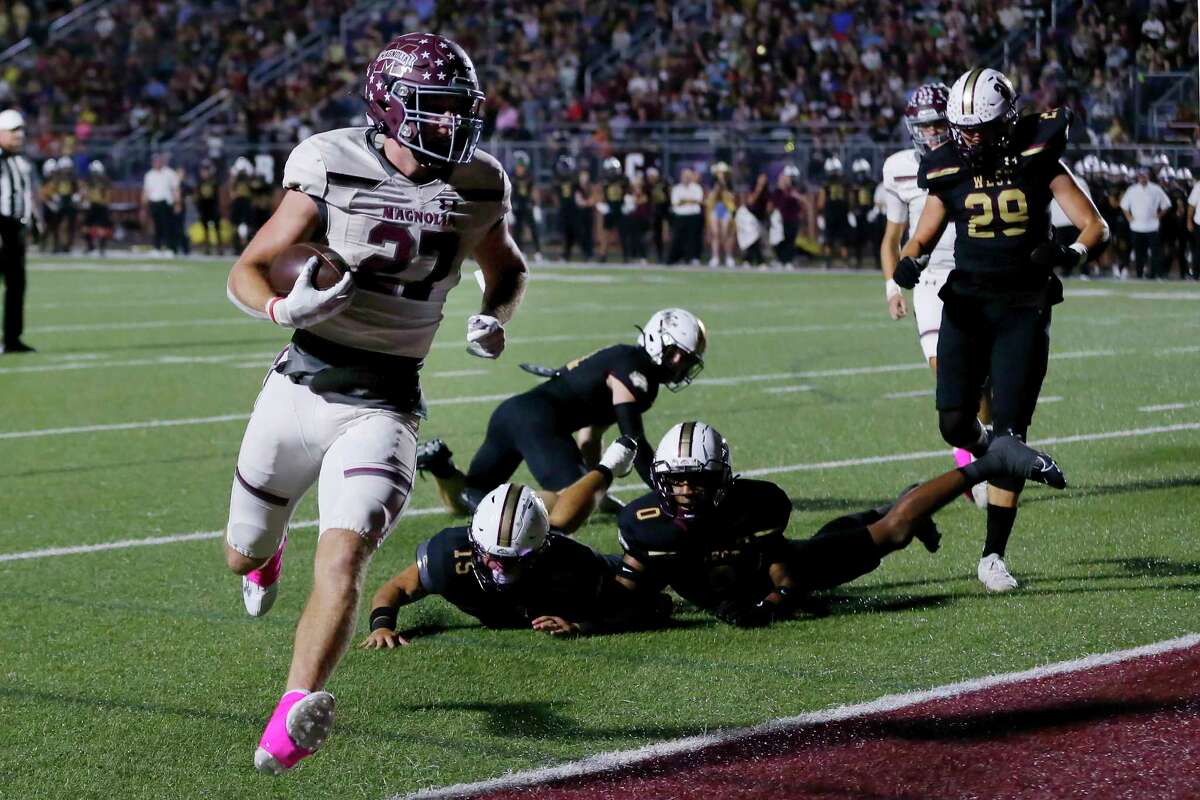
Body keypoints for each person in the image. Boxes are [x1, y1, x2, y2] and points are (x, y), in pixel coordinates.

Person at [221, 32, 528, 775]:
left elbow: (506, 267)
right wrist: (279, 312)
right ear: (388, 106)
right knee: (239, 555)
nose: (451, 126)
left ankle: (294, 710)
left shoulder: (481, 183)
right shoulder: (330, 162)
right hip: (300, 385)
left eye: (459, 110)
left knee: (349, 551)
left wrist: (496, 314)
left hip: (386, 404)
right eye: (434, 108)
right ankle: (266, 557)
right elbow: (251, 266)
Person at [894, 67, 1108, 593]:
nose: (969, 140)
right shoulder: (948, 167)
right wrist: (911, 259)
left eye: (980, 130)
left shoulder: (1039, 160)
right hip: (965, 302)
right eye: (962, 129)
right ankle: (991, 445)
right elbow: (925, 230)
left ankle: (993, 555)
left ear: (1006, 121)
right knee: (952, 424)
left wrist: (1070, 253)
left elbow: (1094, 225)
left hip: (1022, 305)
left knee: (1012, 432)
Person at [614, 421, 1066, 626]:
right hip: (761, 571)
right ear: (660, 482)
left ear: (723, 481)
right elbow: (629, 593)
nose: (687, 491)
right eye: (676, 483)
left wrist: (767, 607)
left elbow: (789, 583)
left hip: (790, 569)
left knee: (894, 531)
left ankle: (992, 461)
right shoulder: (645, 523)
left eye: (698, 481)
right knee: (841, 534)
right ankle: (901, 500)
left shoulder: (754, 505)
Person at [360, 438, 670, 645]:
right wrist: (382, 626)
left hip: (591, 565)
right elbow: (396, 588)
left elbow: (651, 606)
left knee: (565, 529)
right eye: (493, 555)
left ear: (538, 551)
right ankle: (607, 467)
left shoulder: (571, 564)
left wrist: (582, 625)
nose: (499, 567)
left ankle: (608, 467)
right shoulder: (450, 555)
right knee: (559, 522)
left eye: (513, 559)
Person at [415, 308, 707, 516]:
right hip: (538, 422)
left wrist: (599, 493)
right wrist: (666, 493)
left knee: (466, 498)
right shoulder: (636, 369)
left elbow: (590, 439)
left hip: (513, 412)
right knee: (570, 505)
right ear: (658, 338)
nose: (679, 363)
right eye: (674, 352)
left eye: (687, 358)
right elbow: (635, 441)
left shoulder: (623, 357)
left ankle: (443, 467)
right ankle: (502, 512)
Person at [880, 83, 990, 516]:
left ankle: (985, 454)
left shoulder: (972, 159)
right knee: (949, 378)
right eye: (924, 126)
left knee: (983, 381)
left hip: (973, 273)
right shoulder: (898, 169)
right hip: (927, 281)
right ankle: (970, 460)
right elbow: (891, 237)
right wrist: (892, 287)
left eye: (939, 124)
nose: (932, 134)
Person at [0, 109, 38, 354]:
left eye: (21, 130)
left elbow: (25, 195)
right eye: (14, 131)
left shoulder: (21, 161)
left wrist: (33, 221)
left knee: (16, 284)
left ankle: (12, 338)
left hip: (15, 227)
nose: (20, 135)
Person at [1119, 168, 1171, 280]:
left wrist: (1159, 216)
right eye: (1141, 176)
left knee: (1155, 253)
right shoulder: (1132, 189)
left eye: (1145, 175)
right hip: (1136, 227)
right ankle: (1139, 274)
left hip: (1152, 226)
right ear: (1138, 177)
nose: (1143, 177)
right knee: (1139, 253)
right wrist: (1129, 218)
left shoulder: (1156, 189)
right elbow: (1124, 206)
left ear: (1148, 176)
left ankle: (1155, 275)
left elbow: (1166, 205)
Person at [143, 153, 180, 256]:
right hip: (154, 203)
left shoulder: (170, 173)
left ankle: (169, 248)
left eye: (158, 161)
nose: (156, 163)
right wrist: (144, 206)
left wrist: (177, 203)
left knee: (167, 226)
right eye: (154, 161)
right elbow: (146, 191)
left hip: (166, 203)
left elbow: (175, 190)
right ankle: (157, 248)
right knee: (156, 227)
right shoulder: (149, 175)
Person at [817, 157, 850, 267]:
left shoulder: (825, 183)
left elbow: (821, 202)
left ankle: (828, 262)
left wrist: (820, 212)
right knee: (843, 239)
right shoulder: (844, 182)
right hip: (842, 213)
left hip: (830, 213)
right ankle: (845, 261)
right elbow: (850, 199)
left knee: (828, 238)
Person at [509, 154, 541, 260]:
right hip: (516, 206)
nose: (520, 169)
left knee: (533, 229)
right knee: (518, 230)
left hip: (528, 205)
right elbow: (509, 192)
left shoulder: (529, 176)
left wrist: (536, 206)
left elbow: (534, 191)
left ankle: (538, 252)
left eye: (521, 167)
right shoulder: (512, 176)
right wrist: (508, 208)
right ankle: (520, 252)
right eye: (518, 166)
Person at [768, 166, 802, 267]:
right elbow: (772, 205)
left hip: (793, 218)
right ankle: (780, 260)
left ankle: (788, 261)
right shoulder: (779, 191)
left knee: (791, 240)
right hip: (781, 220)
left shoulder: (798, 190)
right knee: (780, 241)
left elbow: (803, 202)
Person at [705, 161, 736, 268]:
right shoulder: (712, 183)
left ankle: (728, 256)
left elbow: (731, 197)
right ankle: (715, 257)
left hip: (726, 209)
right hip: (715, 208)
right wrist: (717, 186)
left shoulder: (729, 184)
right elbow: (710, 197)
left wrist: (723, 184)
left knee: (725, 233)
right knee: (716, 233)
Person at [668, 167, 703, 264]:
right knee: (678, 239)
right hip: (680, 216)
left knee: (693, 239)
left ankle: (693, 258)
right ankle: (676, 258)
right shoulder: (676, 188)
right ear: (681, 177)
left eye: (688, 176)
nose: (687, 178)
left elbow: (698, 200)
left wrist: (683, 200)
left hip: (693, 216)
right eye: (685, 176)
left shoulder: (697, 188)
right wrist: (690, 201)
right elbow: (675, 203)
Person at [598, 156, 628, 262]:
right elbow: (600, 194)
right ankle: (603, 256)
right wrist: (602, 205)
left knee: (623, 234)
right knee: (605, 234)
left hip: (620, 208)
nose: (612, 172)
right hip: (609, 208)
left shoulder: (623, 179)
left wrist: (628, 203)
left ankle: (626, 256)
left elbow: (629, 192)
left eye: (613, 169)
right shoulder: (605, 180)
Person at [81, 160, 113, 256]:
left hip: (100, 206)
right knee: (86, 227)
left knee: (101, 228)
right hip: (93, 205)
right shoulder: (90, 181)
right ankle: (91, 247)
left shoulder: (104, 182)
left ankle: (100, 248)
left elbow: (107, 196)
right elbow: (85, 193)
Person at [195, 160, 223, 255]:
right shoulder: (199, 182)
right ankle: (207, 248)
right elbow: (198, 196)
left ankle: (219, 248)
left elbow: (218, 194)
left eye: (206, 170)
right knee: (205, 229)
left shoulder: (214, 181)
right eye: (203, 170)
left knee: (216, 228)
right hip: (204, 208)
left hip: (213, 206)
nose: (204, 173)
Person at [553, 155, 578, 260]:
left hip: (573, 208)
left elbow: (581, 192)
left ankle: (572, 253)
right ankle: (564, 254)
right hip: (564, 208)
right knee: (563, 232)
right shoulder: (558, 179)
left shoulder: (575, 178)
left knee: (573, 231)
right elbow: (555, 195)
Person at [644, 166, 671, 263]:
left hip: (666, 212)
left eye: (651, 176)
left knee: (666, 235)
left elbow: (669, 197)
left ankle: (668, 256)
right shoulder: (648, 186)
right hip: (656, 214)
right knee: (657, 236)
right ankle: (660, 256)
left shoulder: (664, 184)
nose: (650, 179)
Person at [1188, 170, 1200, 280]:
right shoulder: (1198, 186)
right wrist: (1189, 221)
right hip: (1199, 222)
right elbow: (1191, 205)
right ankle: (1196, 275)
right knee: (1198, 250)